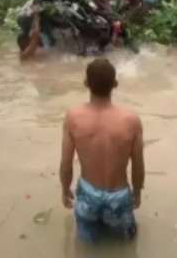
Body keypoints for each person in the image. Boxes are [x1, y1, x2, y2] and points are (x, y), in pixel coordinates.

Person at [60, 58, 145, 243]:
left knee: (87, 245)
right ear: (115, 84)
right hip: (119, 196)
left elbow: (66, 163)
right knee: (127, 242)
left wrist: (65, 189)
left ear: (86, 83)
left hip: (87, 195)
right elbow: (138, 165)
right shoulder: (131, 120)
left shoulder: (73, 117)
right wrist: (137, 192)